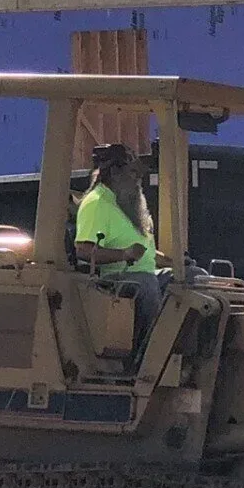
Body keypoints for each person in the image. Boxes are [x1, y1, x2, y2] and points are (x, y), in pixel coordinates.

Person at [74, 143, 169, 344]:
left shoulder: (126, 204)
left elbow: (144, 252)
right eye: (133, 173)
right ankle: (146, 355)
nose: (138, 180)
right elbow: (83, 250)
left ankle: (183, 352)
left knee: (192, 279)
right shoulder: (97, 202)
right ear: (115, 173)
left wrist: (175, 263)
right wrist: (124, 254)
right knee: (146, 285)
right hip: (112, 279)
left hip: (143, 273)